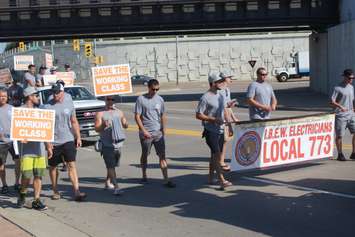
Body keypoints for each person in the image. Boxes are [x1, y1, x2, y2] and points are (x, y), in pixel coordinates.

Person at [43, 83, 86, 201]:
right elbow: (44, 127)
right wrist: (47, 144)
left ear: (62, 93)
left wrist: (78, 137)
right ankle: (55, 190)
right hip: (53, 142)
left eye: (57, 92)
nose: (55, 94)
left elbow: (74, 121)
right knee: (53, 167)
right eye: (53, 92)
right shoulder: (46, 106)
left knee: (71, 165)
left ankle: (77, 191)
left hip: (68, 139)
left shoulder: (69, 104)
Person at [134, 79, 176, 188]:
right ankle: (144, 175)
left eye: (157, 89)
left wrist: (163, 129)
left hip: (158, 133)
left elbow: (163, 115)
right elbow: (137, 116)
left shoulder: (160, 99)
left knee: (162, 156)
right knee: (145, 154)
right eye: (153, 89)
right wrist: (143, 131)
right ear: (148, 87)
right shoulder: (141, 99)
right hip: (146, 133)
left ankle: (166, 179)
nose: (155, 91)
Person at [196, 72, 232, 190]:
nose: (222, 83)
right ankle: (222, 180)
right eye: (219, 81)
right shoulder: (205, 97)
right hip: (210, 131)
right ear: (212, 83)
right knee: (217, 155)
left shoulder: (220, 95)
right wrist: (213, 119)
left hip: (220, 129)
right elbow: (198, 115)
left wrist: (229, 122)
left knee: (214, 156)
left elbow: (224, 109)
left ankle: (210, 178)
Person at [17, 87, 47, 210]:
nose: (38, 97)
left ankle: (36, 200)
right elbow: (15, 130)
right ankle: (22, 194)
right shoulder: (19, 111)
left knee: (38, 175)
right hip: (26, 152)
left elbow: (45, 130)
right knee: (26, 176)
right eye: (36, 95)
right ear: (29, 96)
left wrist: (48, 146)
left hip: (39, 149)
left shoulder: (40, 111)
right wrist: (20, 138)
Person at [95, 96, 128, 195]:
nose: (110, 101)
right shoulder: (100, 113)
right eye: (108, 99)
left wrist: (126, 124)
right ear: (105, 100)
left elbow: (125, 123)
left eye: (112, 99)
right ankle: (116, 187)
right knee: (110, 165)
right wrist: (103, 125)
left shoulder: (119, 112)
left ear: (115, 100)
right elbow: (97, 128)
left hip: (118, 143)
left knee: (113, 165)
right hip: (106, 143)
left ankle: (107, 182)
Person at [330, 69, 355, 161]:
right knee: (339, 135)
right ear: (344, 77)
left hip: (351, 114)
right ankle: (340, 154)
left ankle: (353, 153)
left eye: (352, 78)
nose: (351, 80)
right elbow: (332, 102)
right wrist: (340, 106)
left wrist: (354, 108)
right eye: (349, 78)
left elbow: (352, 100)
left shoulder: (351, 87)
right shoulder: (337, 88)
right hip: (340, 115)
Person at [0, 87, 21, 194]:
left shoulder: (12, 109)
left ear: (7, 97)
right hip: (1, 143)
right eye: (1, 96)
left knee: (18, 162)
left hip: (14, 141)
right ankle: (4, 185)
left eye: (4, 96)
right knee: (1, 165)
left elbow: (19, 123)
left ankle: (17, 183)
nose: (2, 98)